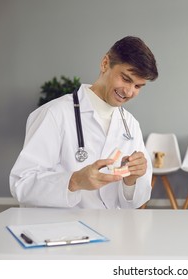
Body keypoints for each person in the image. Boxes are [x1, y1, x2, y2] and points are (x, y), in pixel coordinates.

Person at [10, 36, 158, 209]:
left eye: (138, 86)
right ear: (105, 64)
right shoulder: (54, 114)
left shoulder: (130, 124)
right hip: (64, 230)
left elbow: (133, 204)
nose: (129, 91)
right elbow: (22, 184)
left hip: (113, 230)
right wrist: (74, 181)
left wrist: (131, 180)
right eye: (125, 79)